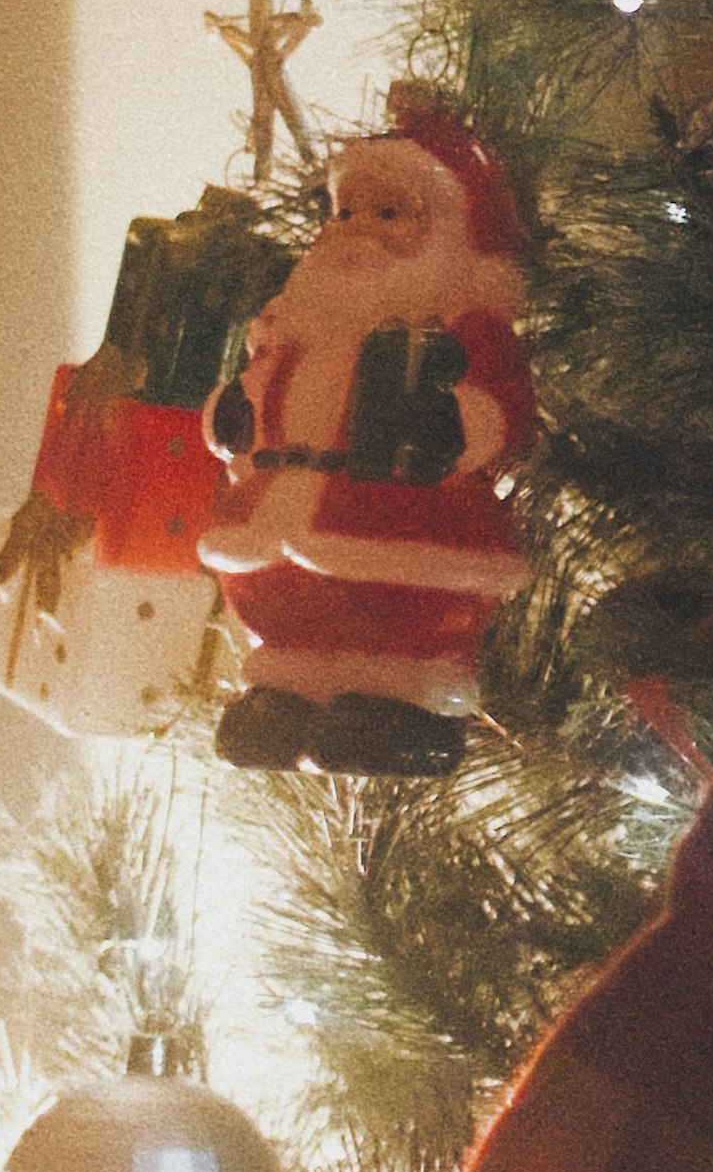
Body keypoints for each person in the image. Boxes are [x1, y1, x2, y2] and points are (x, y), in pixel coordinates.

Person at [198, 86, 537, 774]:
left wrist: (447, 421)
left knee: (404, 616)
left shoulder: (463, 328)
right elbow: (254, 399)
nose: (354, 230)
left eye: (389, 213)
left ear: (450, 233)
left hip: (402, 512)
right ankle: (283, 692)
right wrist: (232, 414)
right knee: (279, 602)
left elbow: (500, 414)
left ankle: (403, 707)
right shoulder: (295, 325)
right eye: (346, 210)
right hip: (280, 503)